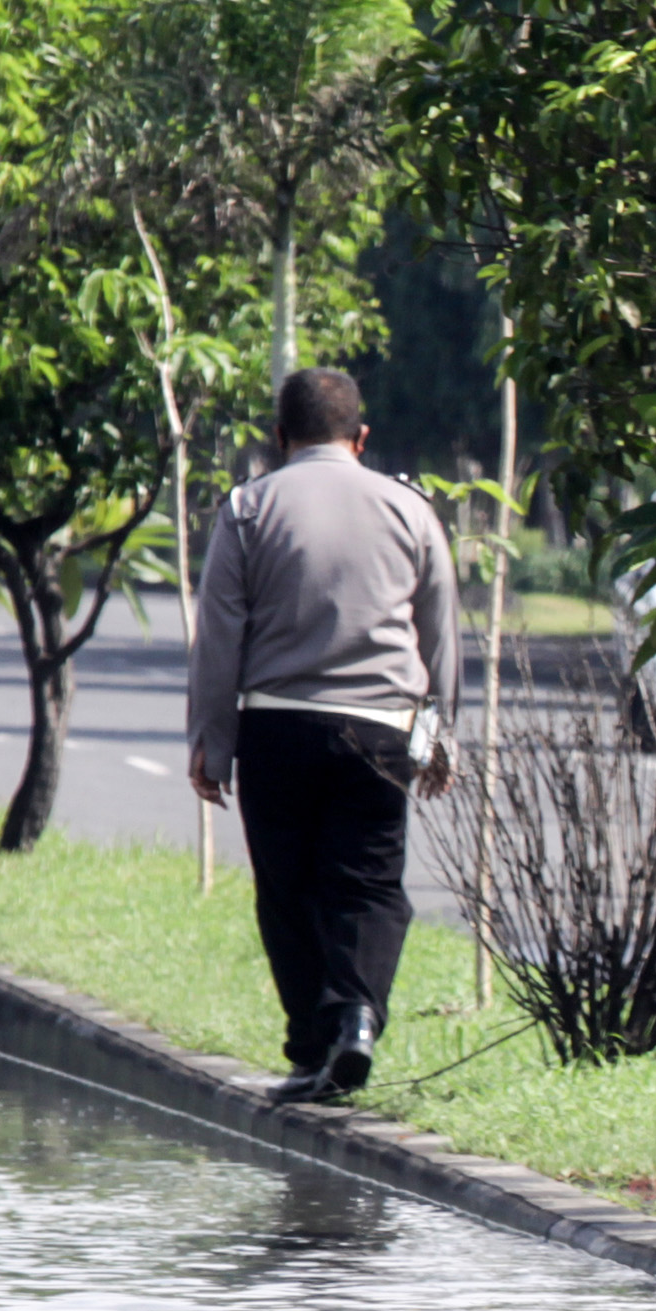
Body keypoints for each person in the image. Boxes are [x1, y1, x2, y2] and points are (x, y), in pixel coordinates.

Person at [187, 367, 460, 1104]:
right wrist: (437, 735)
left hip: (275, 726)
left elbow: (219, 634)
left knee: (288, 889)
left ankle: (313, 1046)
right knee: (367, 884)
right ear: (361, 437)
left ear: (279, 437)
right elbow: (440, 639)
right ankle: (358, 1018)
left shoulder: (247, 508)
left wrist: (212, 737)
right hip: (380, 730)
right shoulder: (411, 509)